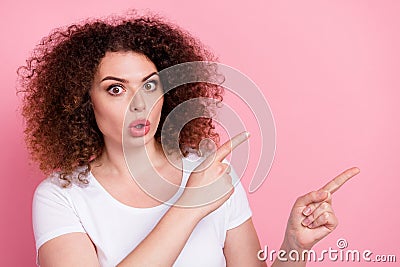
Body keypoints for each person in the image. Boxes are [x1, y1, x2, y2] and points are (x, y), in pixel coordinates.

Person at [18, 11, 360, 267]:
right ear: (82, 100)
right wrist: (188, 207)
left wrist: (294, 246)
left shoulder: (211, 173)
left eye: (150, 85)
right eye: (116, 89)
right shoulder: (61, 198)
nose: (141, 104)